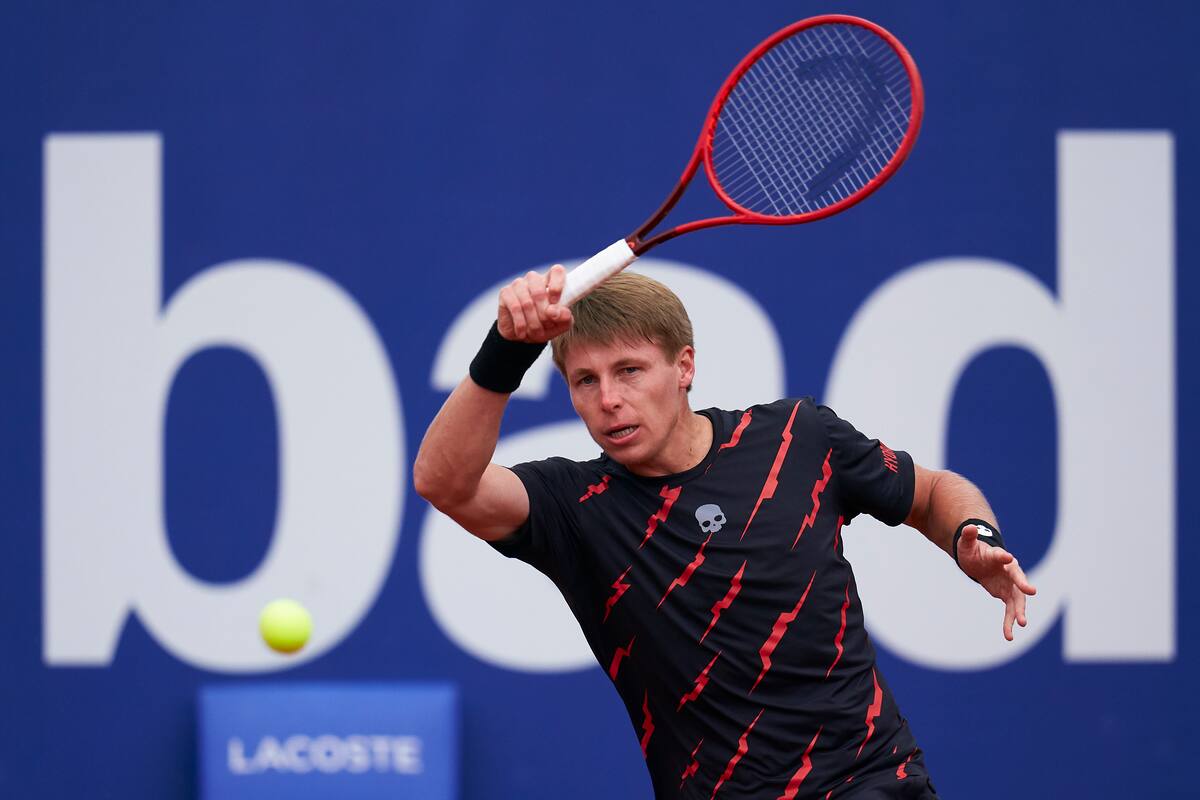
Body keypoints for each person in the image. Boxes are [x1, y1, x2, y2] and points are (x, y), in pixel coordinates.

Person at [414, 265, 1037, 799]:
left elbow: (930, 491)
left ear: (684, 366)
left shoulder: (797, 439)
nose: (608, 400)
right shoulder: (574, 506)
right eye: (585, 380)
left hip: (870, 781)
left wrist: (972, 535)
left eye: (629, 371)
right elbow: (445, 483)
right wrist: (506, 349)